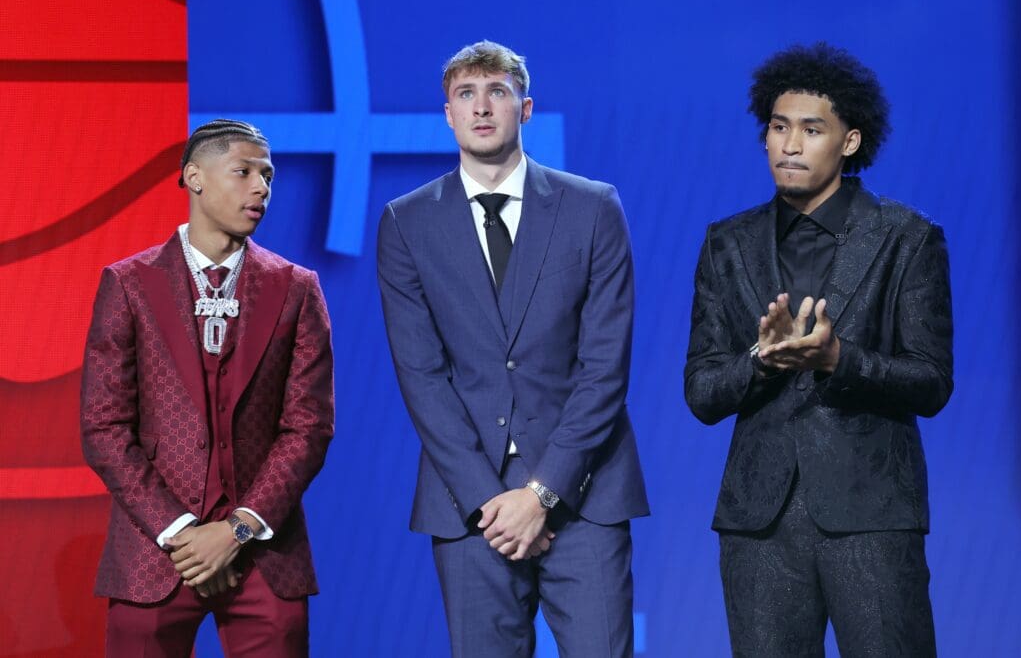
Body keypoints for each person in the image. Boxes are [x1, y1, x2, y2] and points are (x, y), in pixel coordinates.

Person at [377, 40, 649, 657]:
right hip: (469, 505)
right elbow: (422, 375)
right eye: (465, 95)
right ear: (447, 114)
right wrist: (491, 502)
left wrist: (543, 494)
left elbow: (605, 367)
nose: (481, 108)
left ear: (525, 108)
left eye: (496, 92)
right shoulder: (406, 222)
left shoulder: (593, 208)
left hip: (585, 494)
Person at [684, 42, 953, 657]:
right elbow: (700, 390)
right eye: (779, 128)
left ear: (850, 142)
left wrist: (839, 361)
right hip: (759, 526)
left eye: (811, 129)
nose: (790, 145)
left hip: (874, 519)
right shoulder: (726, 243)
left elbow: (932, 381)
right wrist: (760, 361)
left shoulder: (907, 239)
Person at [81, 119, 334, 656]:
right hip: (155, 555)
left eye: (268, 175)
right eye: (243, 172)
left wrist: (237, 530)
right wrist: (182, 534)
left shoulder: (296, 288)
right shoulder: (129, 284)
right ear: (194, 177)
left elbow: (309, 428)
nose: (261, 187)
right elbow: (104, 427)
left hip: (265, 553)